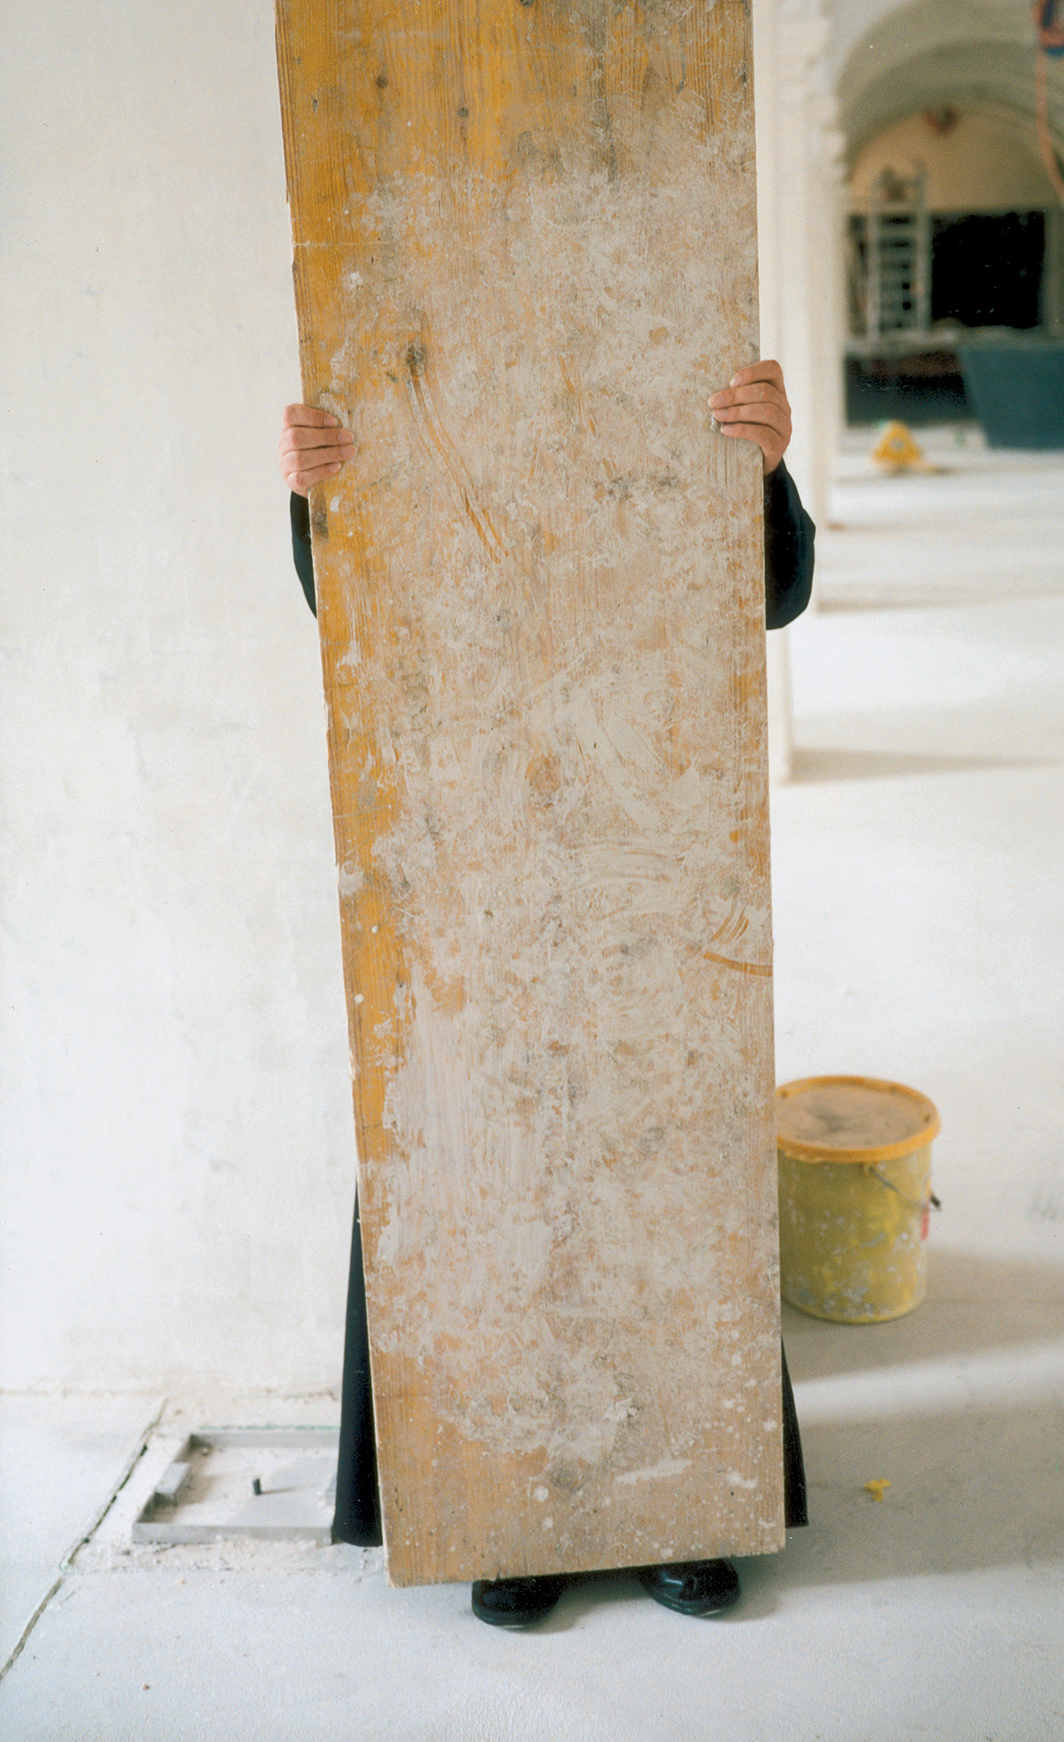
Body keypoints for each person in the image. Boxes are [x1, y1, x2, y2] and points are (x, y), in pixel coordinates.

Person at [279, 359, 815, 1626]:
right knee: (482, 1143)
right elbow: (354, 602)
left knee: (656, 1137)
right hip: (465, 812)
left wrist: (765, 469)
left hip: (646, 806)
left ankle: (679, 1494)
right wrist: (314, 499)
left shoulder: (659, 347)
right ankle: (508, 1498)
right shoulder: (411, 354)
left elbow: (771, 594)